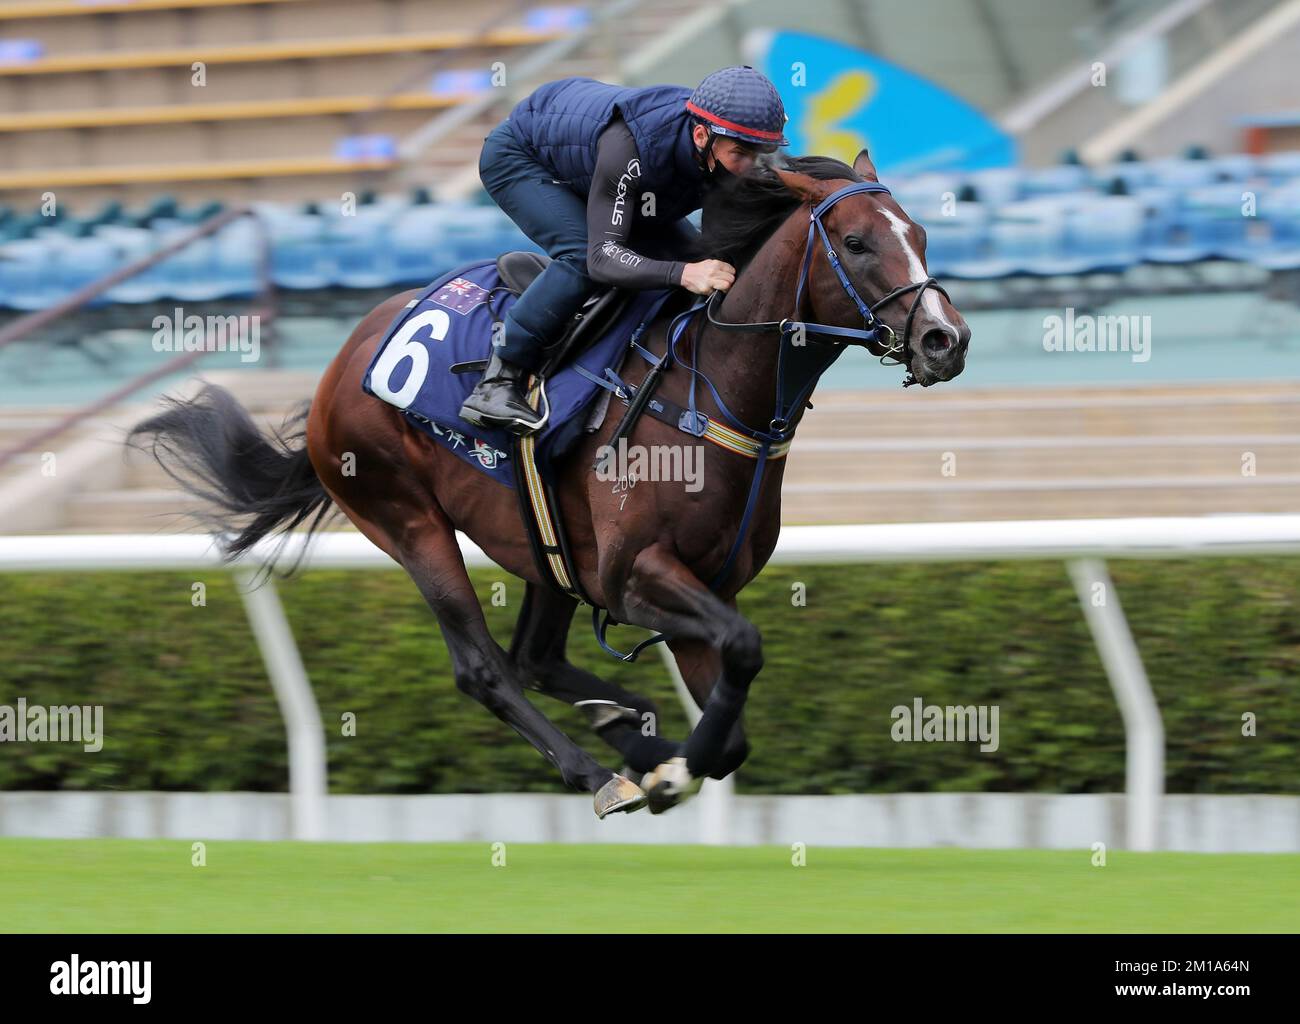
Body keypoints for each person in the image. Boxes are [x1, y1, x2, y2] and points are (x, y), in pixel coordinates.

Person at [459, 65, 789, 434]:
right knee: (582, 258)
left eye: (760, 153)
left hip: (600, 165)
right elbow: (602, 257)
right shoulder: (632, 147)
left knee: (699, 258)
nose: (749, 166)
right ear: (701, 135)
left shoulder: (715, 145)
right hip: (523, 157)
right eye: (741, 153)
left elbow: (718, 243)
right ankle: (499, 378)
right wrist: (683, 273)